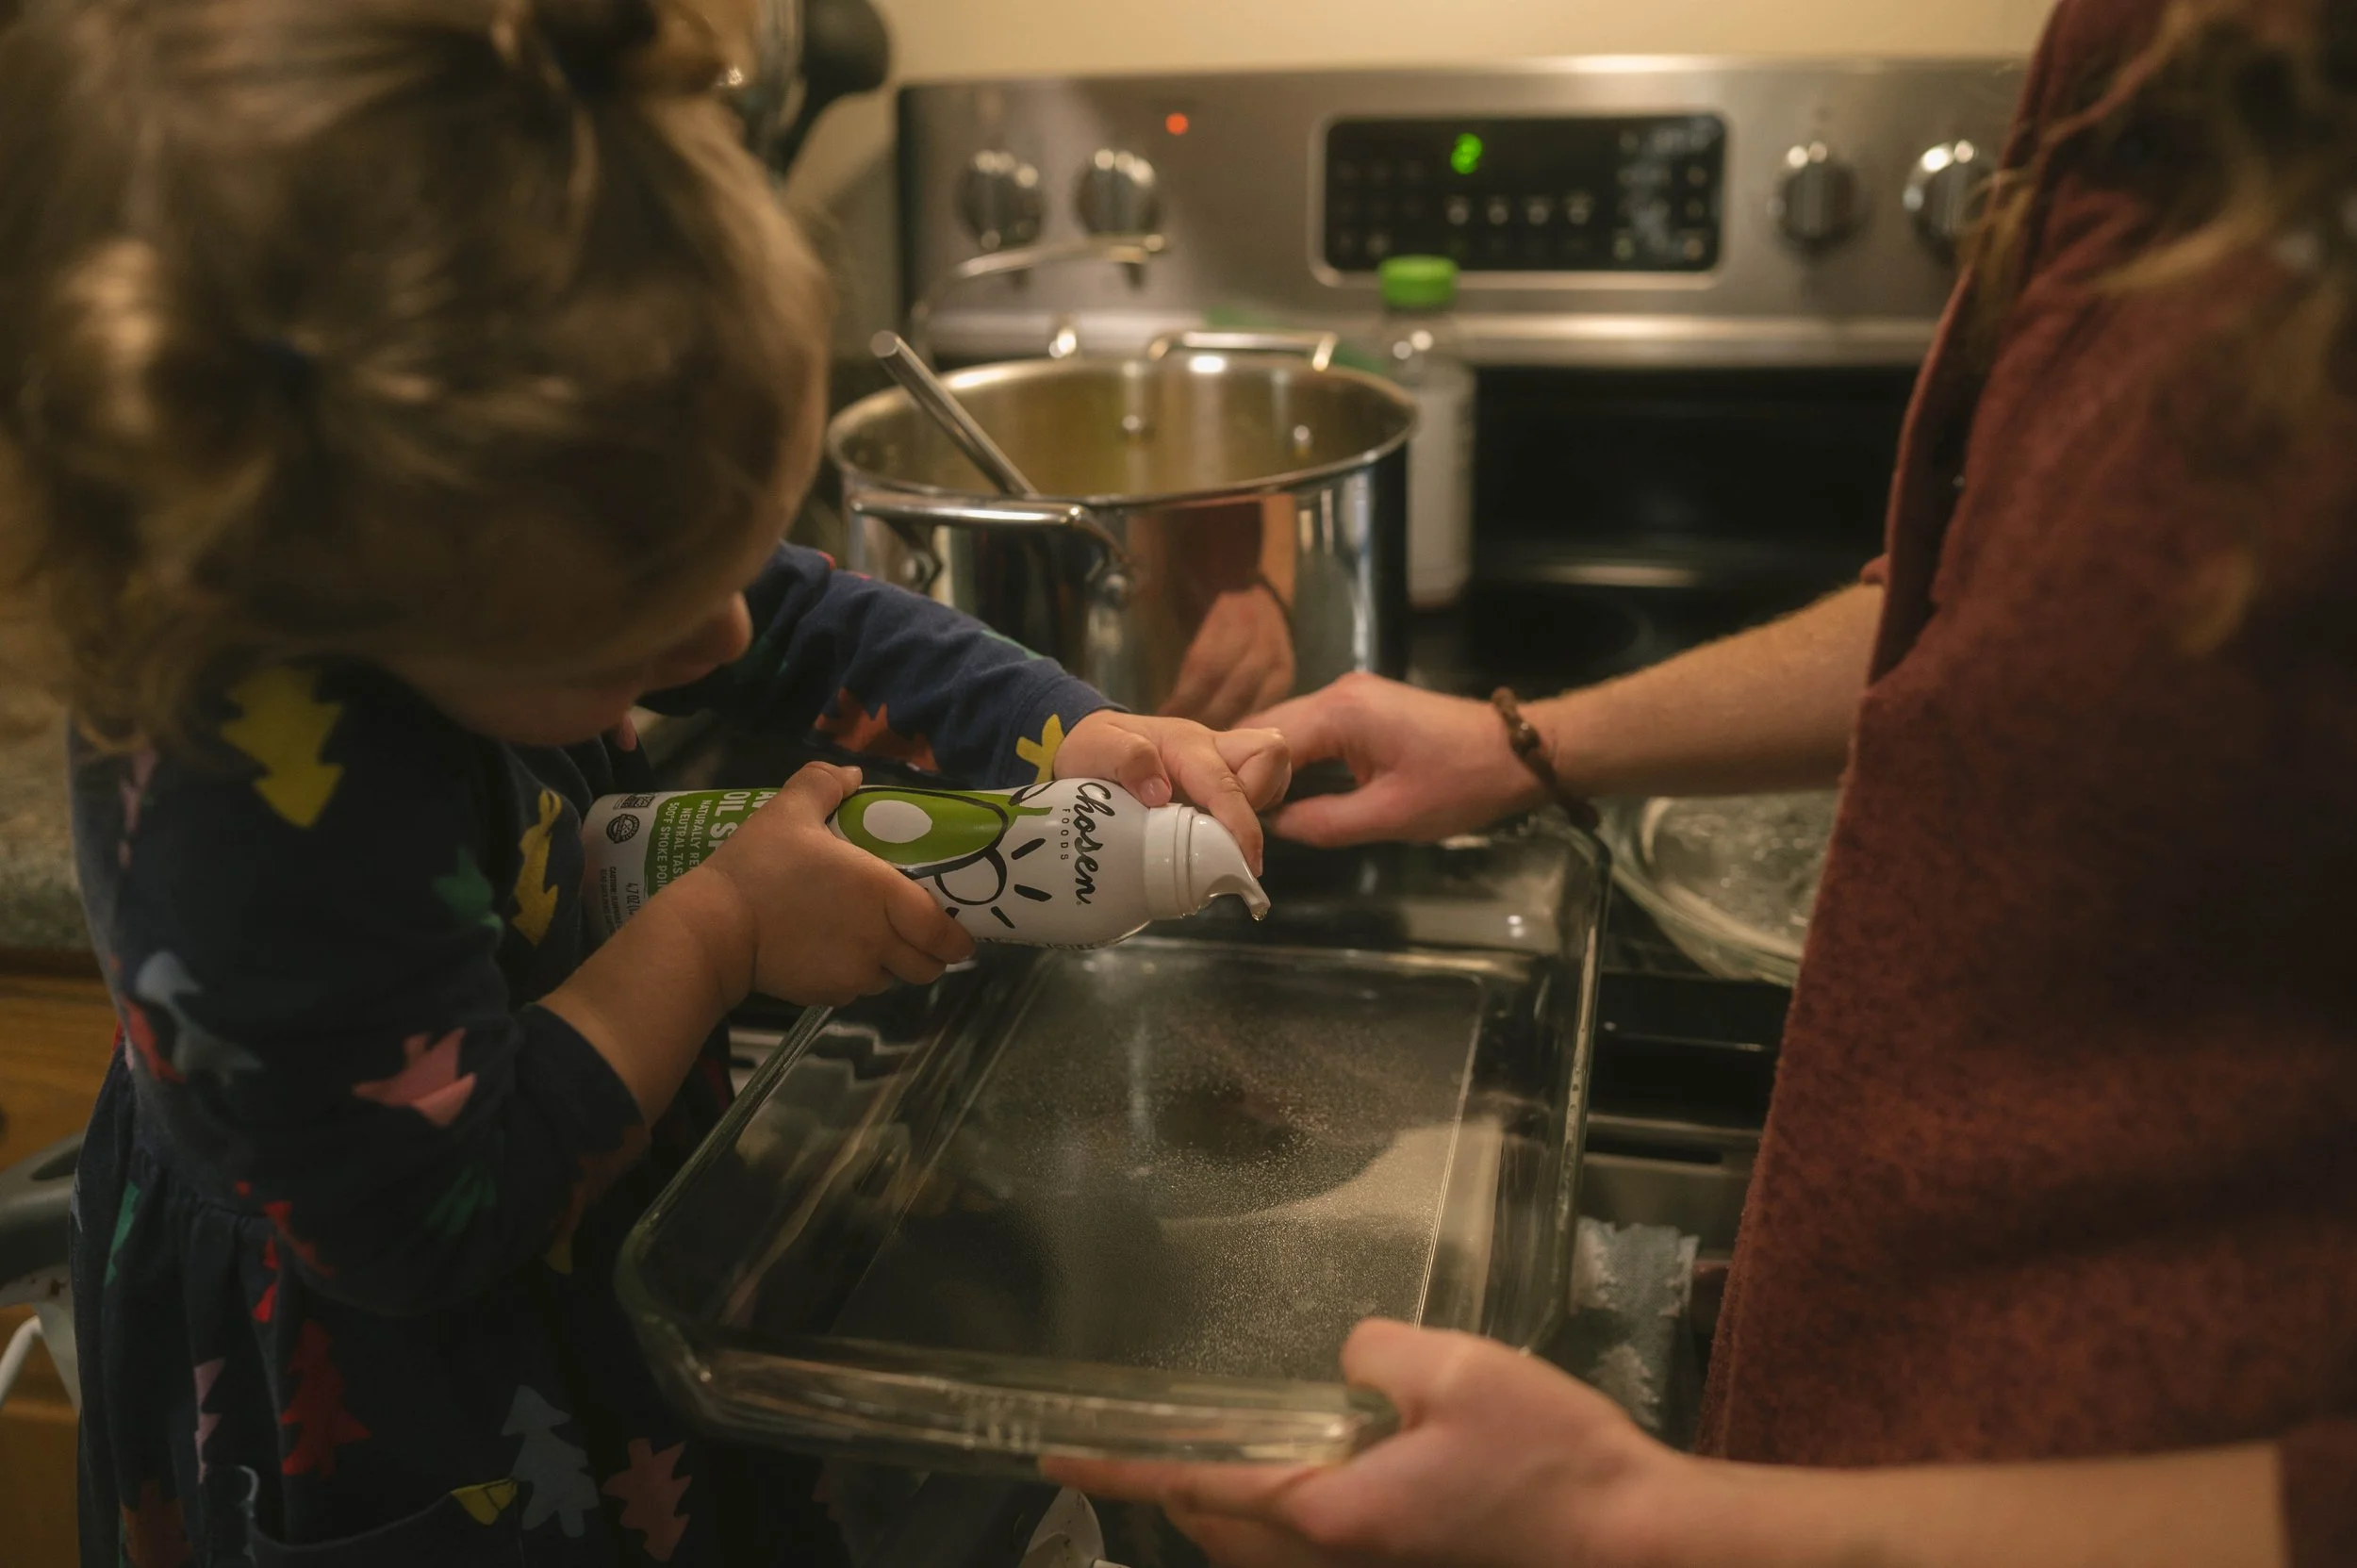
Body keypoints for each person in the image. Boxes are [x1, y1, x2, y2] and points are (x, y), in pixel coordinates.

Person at [1050, 0, 2357, 1561]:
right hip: (1848, 1407)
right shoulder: (2153, 53)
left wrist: (1632, 1523)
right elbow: (1988, 598)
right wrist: (1522, 745)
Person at [0, 1, 1287, 1563]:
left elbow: (795, 617)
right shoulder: (250, 823)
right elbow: (433, 1209)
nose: (728, 632)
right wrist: (720, 932)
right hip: (399, 1410)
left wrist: (1061, 731)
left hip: (591, 1269)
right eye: (645, 621)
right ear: (362, 590)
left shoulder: (480, 541)